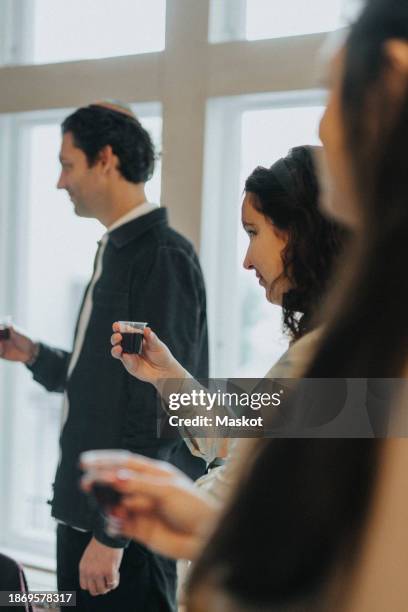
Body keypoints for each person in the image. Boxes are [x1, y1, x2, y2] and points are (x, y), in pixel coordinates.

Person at [86, 0, 408, 608]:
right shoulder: (334, 347)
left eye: (254, 233)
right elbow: (241, 431)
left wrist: (192, 519)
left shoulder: (354, 353)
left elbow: (279, 520)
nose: (322, 127)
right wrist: (166, 375)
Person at [0, 103, 208, 611]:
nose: (59, 181)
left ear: (106, 160)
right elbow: (106, 384)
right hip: (84, 519)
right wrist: (34, 355)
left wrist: (111, 538)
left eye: (68, 164)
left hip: (120, 537)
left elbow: (161, 406)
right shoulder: (115, 250)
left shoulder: (160, 256)